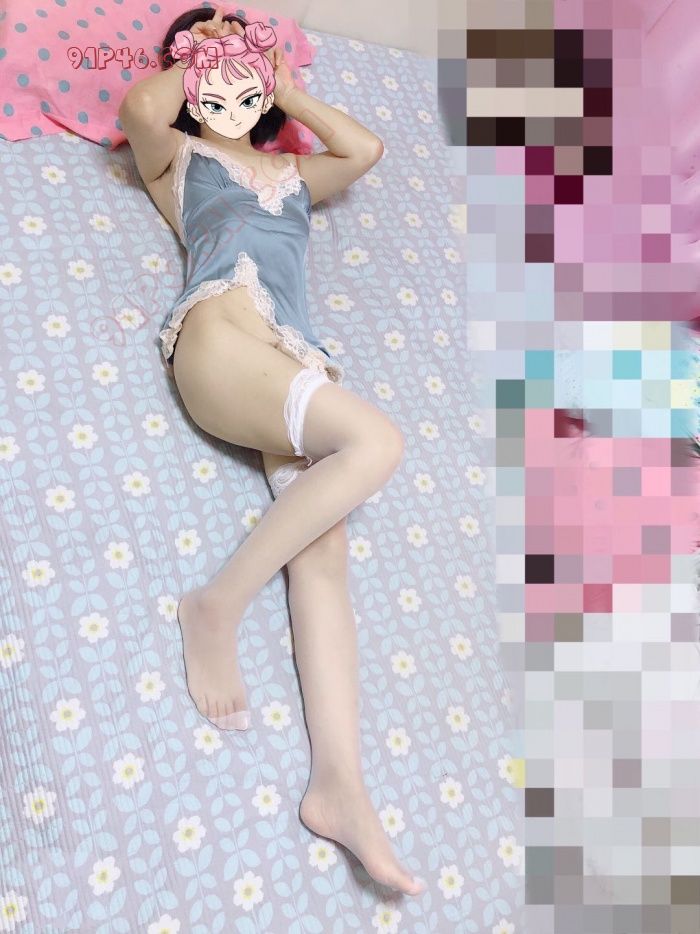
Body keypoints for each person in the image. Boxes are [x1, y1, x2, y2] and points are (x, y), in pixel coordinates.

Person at [118, 5, 425, 898]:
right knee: (377, 441)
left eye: (240, 39)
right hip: (218, 343)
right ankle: (214, 607)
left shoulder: (293, 173)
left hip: (290, 360)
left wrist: (284, 87)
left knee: (321, 558)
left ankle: (340, 786)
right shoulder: (177, 160)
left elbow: (364, 151)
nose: (229, 49)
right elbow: (140, 110)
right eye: (209, 45)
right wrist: (205, 44)